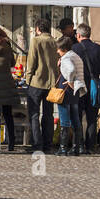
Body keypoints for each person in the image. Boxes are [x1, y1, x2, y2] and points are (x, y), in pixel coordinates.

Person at [23, 18, 60, 152]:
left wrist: (28, 78)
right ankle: (47, 144)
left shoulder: (36, 41)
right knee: (48, 115)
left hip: (37, 82)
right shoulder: (54, 41)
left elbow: (31, 61)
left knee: (34, 114)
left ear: (38, 29)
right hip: (51, 83)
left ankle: (37, 144)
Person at [72, 24, 100, 153]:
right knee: (92, 118)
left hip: (78, 86)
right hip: (94, 87)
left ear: (79, 35)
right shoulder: (99, 49)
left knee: (77, 117)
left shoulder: (74, 48)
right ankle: (90, 145)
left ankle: (78, 145)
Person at [55, 36, 88, 156]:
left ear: (62, 48)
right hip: (75, 92)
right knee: (75, 119)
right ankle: (76, 147)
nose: (57, 51)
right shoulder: (75, 55)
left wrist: (69, 80)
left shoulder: (66, 58)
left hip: (66, 91)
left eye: (58, 49)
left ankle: (63, 148)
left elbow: (71, 69)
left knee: (64, 119)